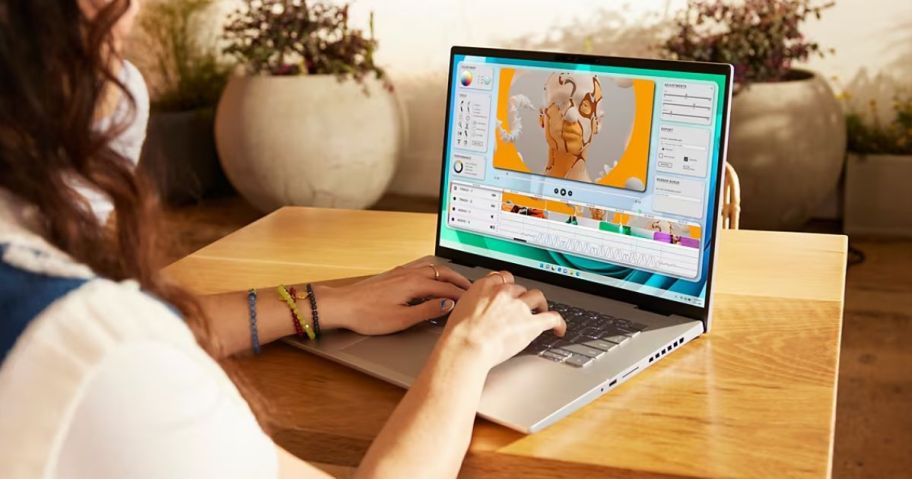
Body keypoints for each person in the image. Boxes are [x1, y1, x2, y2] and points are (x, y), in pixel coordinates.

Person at [0, 1, 566, 478]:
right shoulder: (106, 361)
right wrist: (467, 352)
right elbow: (114, 345)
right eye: (115, 48)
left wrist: (323, 302)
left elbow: (145, 322)